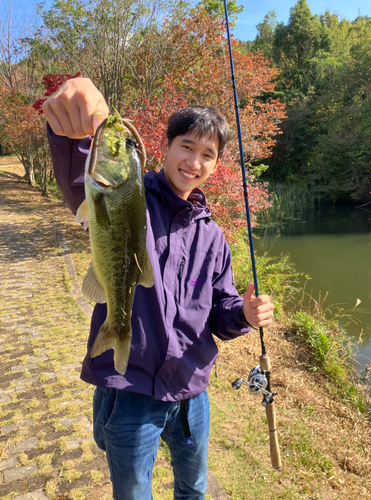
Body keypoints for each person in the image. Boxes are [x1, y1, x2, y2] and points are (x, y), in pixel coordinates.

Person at [43, 77, 275, 500]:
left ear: (216, 165)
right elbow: (83, 181)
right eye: (186, 146)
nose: (195, 161)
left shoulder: (214, 238)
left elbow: (220, 313)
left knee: (194, 486)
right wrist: (71, 132)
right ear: (165, 147)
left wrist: (243, 314)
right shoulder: (131, 194)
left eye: (208, 154)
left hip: (191, 389)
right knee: (133, 493)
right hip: (129, 387)